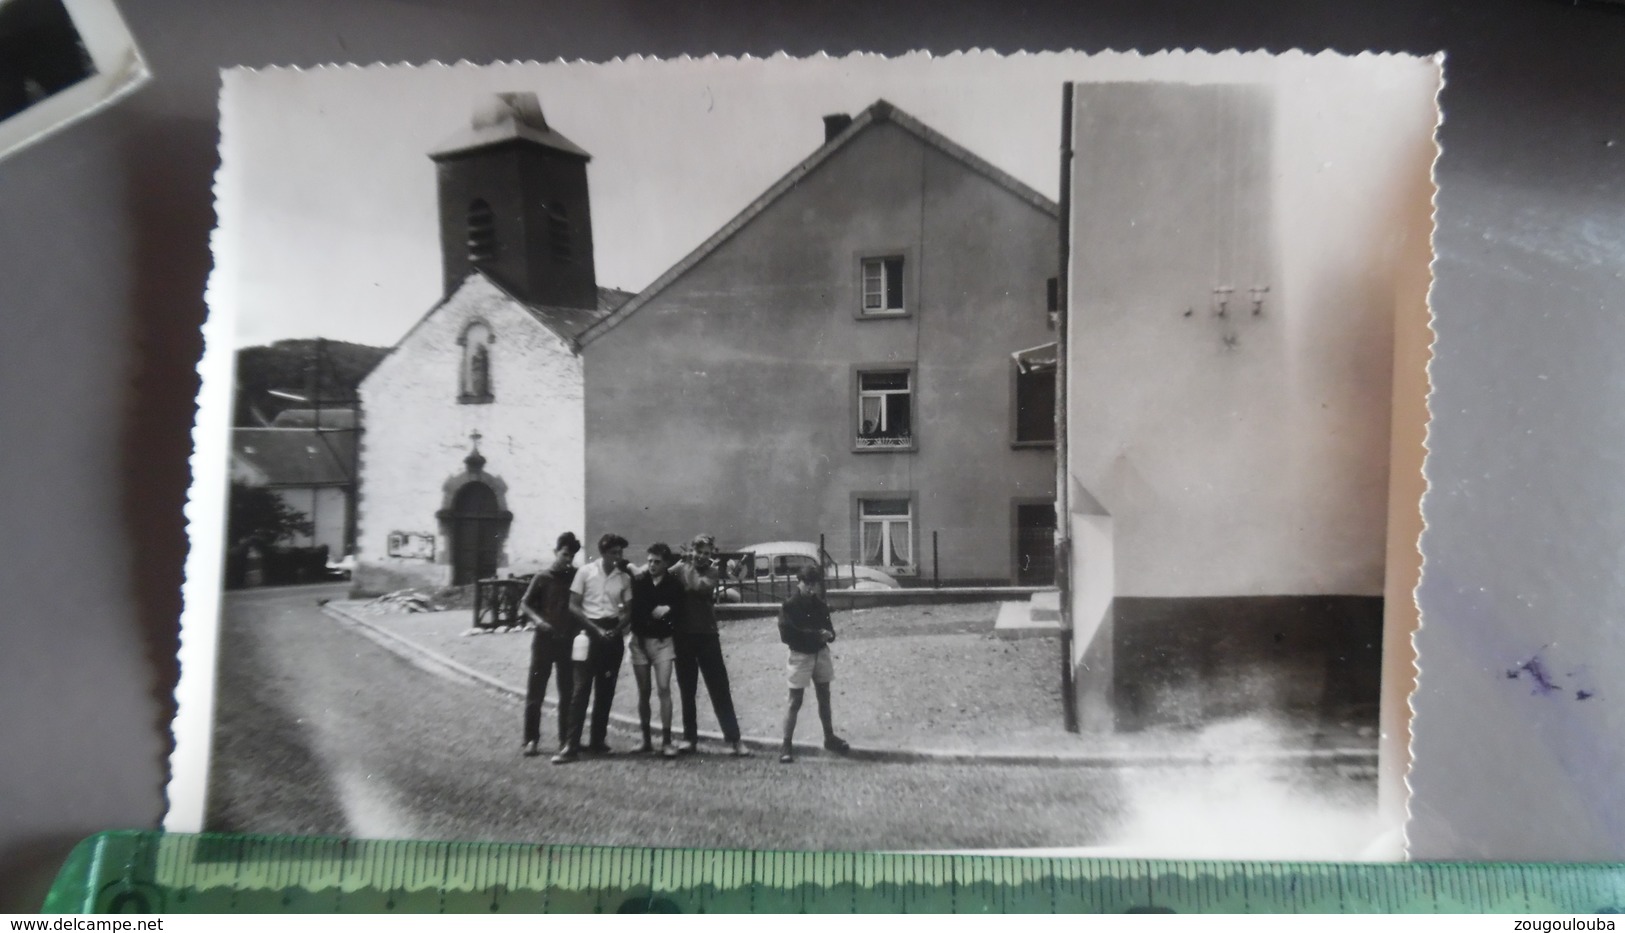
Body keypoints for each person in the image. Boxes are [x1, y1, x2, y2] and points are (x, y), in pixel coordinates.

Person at [671, 533, 751, 756]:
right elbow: (660, 580)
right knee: (687, 689)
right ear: (692, 551)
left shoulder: (713, 571)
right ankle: (689, 739)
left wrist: (683, 567)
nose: (702, 557)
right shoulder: (681, 568)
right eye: (699, 552)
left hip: (707, 636)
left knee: (720, 689)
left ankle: (735, 740)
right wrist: (676, 567)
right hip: (683, 636)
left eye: (707, 553)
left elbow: (698, 587)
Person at [555, 532, 632, 764]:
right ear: (603, 552)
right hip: (588, 633)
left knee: (606, 690)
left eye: (620, 553)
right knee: (580, 690)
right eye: (613, 553)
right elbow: (574, 606)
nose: (618, 557)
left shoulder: (624, 578)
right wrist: (595, 629)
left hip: (612, 634)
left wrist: (616, 629)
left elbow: (629, 609)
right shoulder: (585, 572)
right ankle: (570, 745)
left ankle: (598, 741)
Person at [777, 565, 850, 763]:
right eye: (806, 584)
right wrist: (816, 635)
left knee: (824, 697)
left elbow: (830, 630)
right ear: (798, 582)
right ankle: (786, 744)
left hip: (820, 654)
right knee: (795, 701)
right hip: (800, 656)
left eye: (813, 585)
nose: (810, 588)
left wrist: (829, 635)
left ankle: (829, 737)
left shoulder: (820, 605)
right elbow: (787, 635)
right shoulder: (790, 605)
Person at [519, 532, 581, 758]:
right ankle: (531, 740)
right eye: (564, 554)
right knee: (536, 691)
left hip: (567, 642)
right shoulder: (542, 577)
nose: (568, 559)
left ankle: (565, 739)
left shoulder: (576, 577)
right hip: (544, 642)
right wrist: (538, 621)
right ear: (555, 552)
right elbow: (524, 604)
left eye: (572, 556)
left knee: (567, 692)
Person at [628, 542, 684, 757]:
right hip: (640, 642)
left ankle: (667, 741)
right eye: (649, 561)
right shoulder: (640, 581)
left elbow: (681, 608)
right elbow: (635, 610)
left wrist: (669, 608)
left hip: (662, 642)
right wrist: (633, 566)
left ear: (666, 563)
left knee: (664, 688)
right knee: (644, 691)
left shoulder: (674, 585)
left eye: (657, 562)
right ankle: (646, 740)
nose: (652, 565)